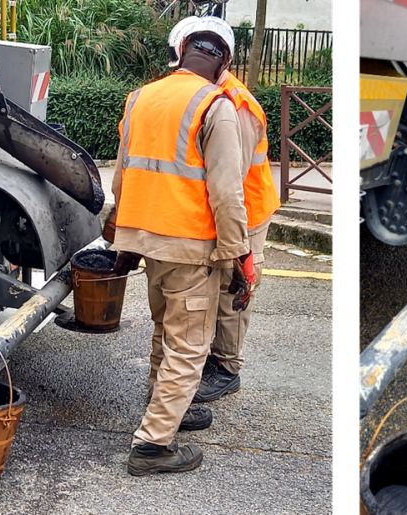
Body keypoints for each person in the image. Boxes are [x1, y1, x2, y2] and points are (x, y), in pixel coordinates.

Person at [111, 21, 256, 476]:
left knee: (165, 331)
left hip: (148, 242)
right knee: (190, 347)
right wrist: (239, 257)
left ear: (179, 50)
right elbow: (228, 194)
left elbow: (122, 174)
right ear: (225, 64)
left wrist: (122, 237)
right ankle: (152, 445)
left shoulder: (141, 98)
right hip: (191, 247)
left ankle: (167, 408)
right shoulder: (217, 104)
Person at [166, 17, 281, 403]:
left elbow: (232, 184)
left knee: (236, 286)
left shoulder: (235, 104)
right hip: (224, 206)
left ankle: (227, 366)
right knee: (219, 282)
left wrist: (239, 246)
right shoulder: (206, 93)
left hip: (245, 208)